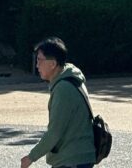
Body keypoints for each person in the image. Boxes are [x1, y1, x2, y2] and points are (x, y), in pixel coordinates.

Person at [20, 36, 97, 168]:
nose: (37, 65)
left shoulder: (64, 89)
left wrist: (31, 157)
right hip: (78, 157)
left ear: (53, 64)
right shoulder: (71, 79)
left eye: (40, 60)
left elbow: (55, 132)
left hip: (72, 160)